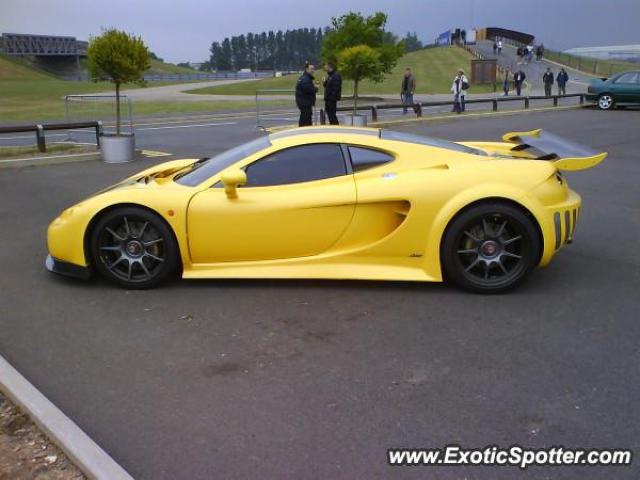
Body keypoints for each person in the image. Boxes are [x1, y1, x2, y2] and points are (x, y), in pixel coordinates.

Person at [295, 62, 318, 127]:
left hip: (303, 102)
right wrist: (315, 88)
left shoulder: (304, 77)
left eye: (313, 69)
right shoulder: (306, 79)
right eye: (311, 69)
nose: (313, 70)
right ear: (306, 69)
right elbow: (308, 89)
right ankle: (305, 131)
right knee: (306, 119)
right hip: (305, 102)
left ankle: (302, 129)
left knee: (304, 117)